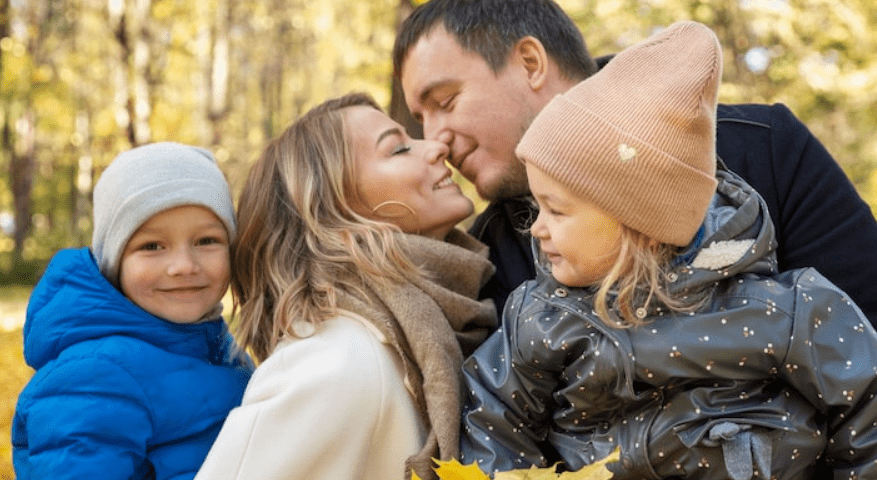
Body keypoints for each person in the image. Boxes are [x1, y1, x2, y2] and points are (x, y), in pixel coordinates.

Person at [459, 21, 877, 479]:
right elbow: (494, 417)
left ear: (640, 225)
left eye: (555, 211)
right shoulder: (540, 317)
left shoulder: (784, 310)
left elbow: (866, 402)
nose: (536, 228)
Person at [392, 0, 877, 325]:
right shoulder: (489, 257)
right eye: (420, 118)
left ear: (530, 63)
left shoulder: (764, 150)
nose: (435, 140)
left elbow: (863, 336)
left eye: (446, 101)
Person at [194, 93, 497, 480]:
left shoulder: (427, 330)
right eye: (399, 148)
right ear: (334, 213)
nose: (437, 146)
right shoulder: (335, 362)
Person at [11, 142, 254, 479]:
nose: (184, 265)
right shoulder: (93, 377)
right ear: (114, 262)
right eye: (152, 246)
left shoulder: (219, 348)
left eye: (206, 241)